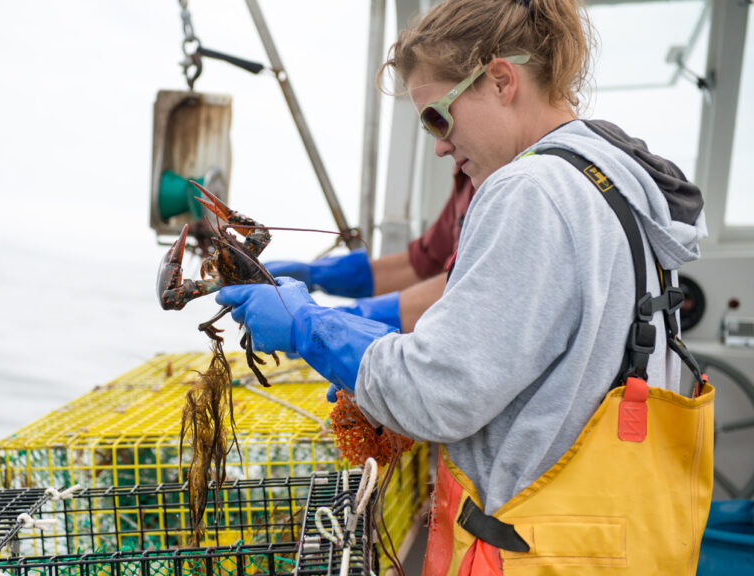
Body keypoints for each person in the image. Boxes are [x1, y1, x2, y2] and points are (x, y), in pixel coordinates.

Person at [216, 0, 714, 573]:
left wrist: (312, 327)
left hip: (529, 551)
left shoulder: (532, 190)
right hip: (617, 545)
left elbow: (439, 392)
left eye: (438, 117)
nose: (439, 146)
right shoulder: (615, 186)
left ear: (501, 80)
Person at [265, 166, 474, 333]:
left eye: (438, 118)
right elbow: (423, 263)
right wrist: (316, 274)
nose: (439, 148)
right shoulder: (467, 173)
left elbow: (470, 290)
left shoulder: (497, 180)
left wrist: (349, 319)